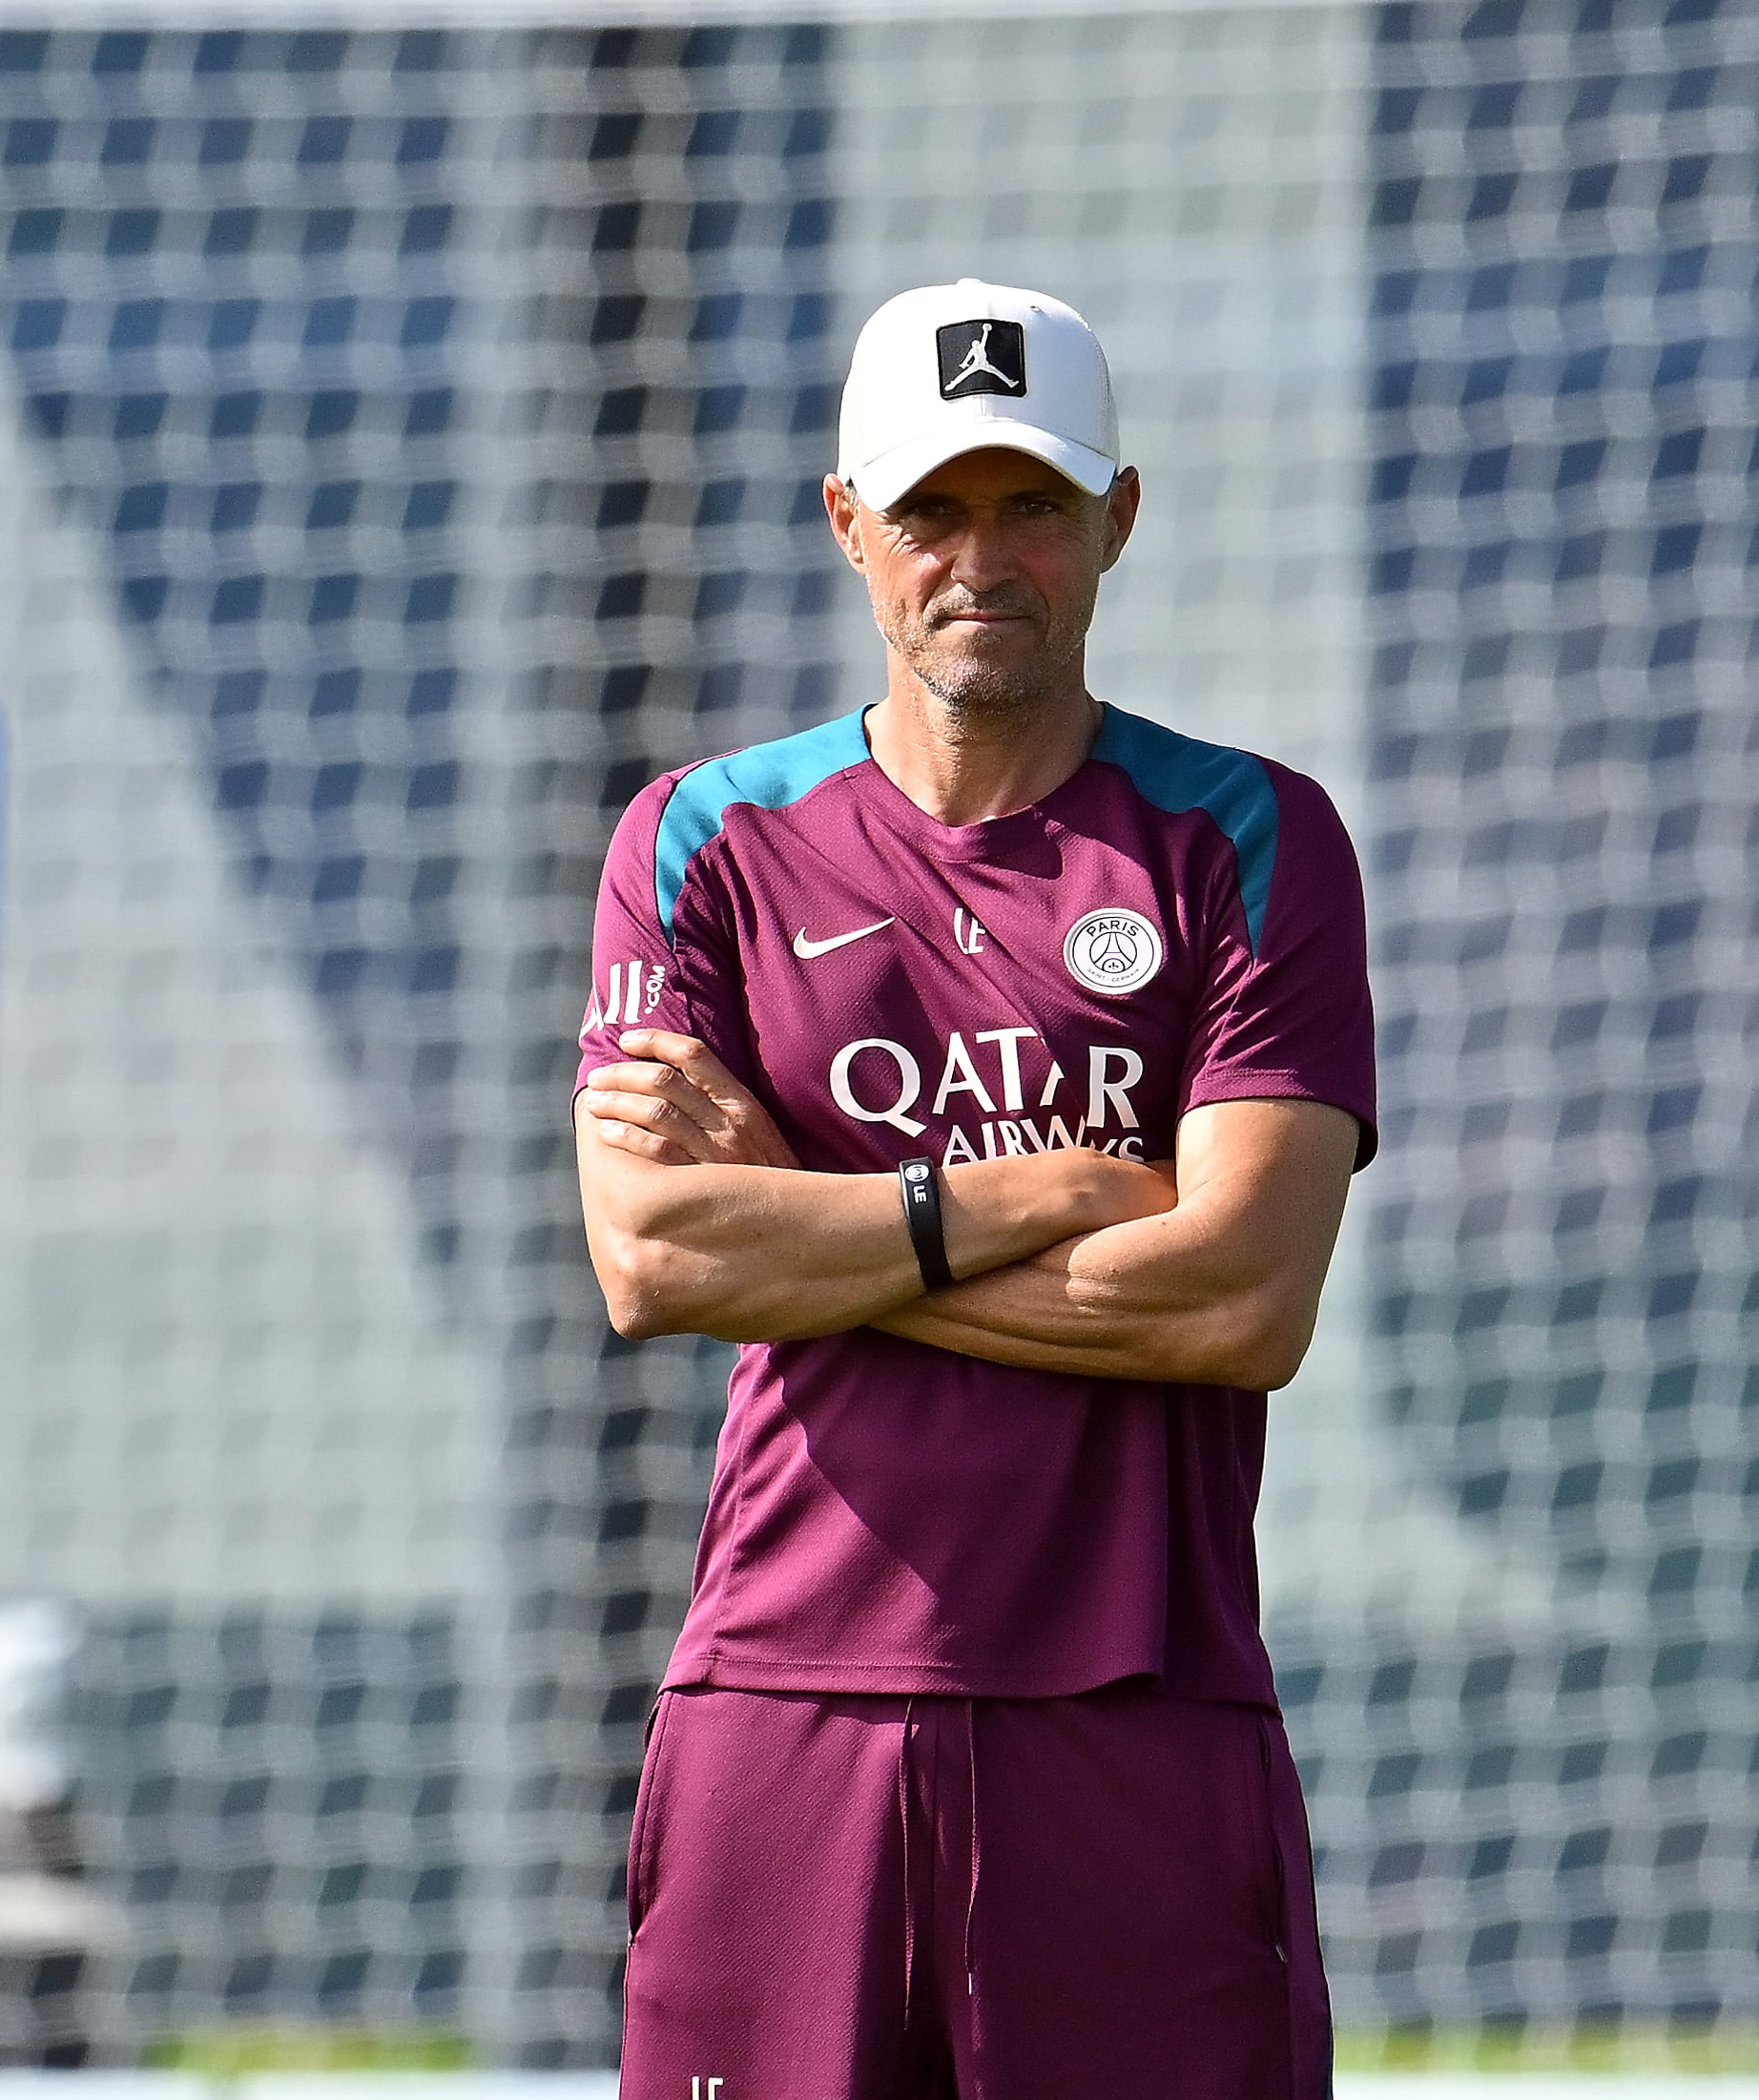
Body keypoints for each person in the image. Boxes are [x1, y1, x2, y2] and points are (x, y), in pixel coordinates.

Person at [571, 279, 1376, 2099]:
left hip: (1137, 1713)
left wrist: (809, 1224)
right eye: (930, 507)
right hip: (784, 1703)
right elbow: (649, 1251)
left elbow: (1244, 1298)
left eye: (1031, 503)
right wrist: (1022, 1196)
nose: (978, 556)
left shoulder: (1249, 836)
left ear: (1119, 521)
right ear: (849, 523)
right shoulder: (698, 838)